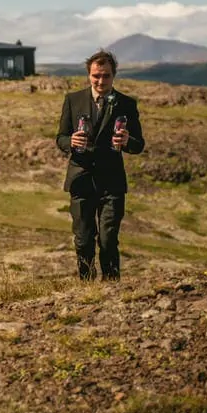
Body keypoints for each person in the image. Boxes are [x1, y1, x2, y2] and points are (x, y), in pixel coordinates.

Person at [56, 49, 145, 281]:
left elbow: (138, 144)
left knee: (108, 238)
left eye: (106, 76)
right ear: (89, 75)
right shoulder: (73, 100)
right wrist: (70, 142)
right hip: (80, 179)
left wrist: (127, 141)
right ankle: (86, 285)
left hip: (112, 182)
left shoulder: (126, 103)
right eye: (96, 75)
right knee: (83, 239)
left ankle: (111, 286)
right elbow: (61, 137)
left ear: (114, 75)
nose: (100, 81)